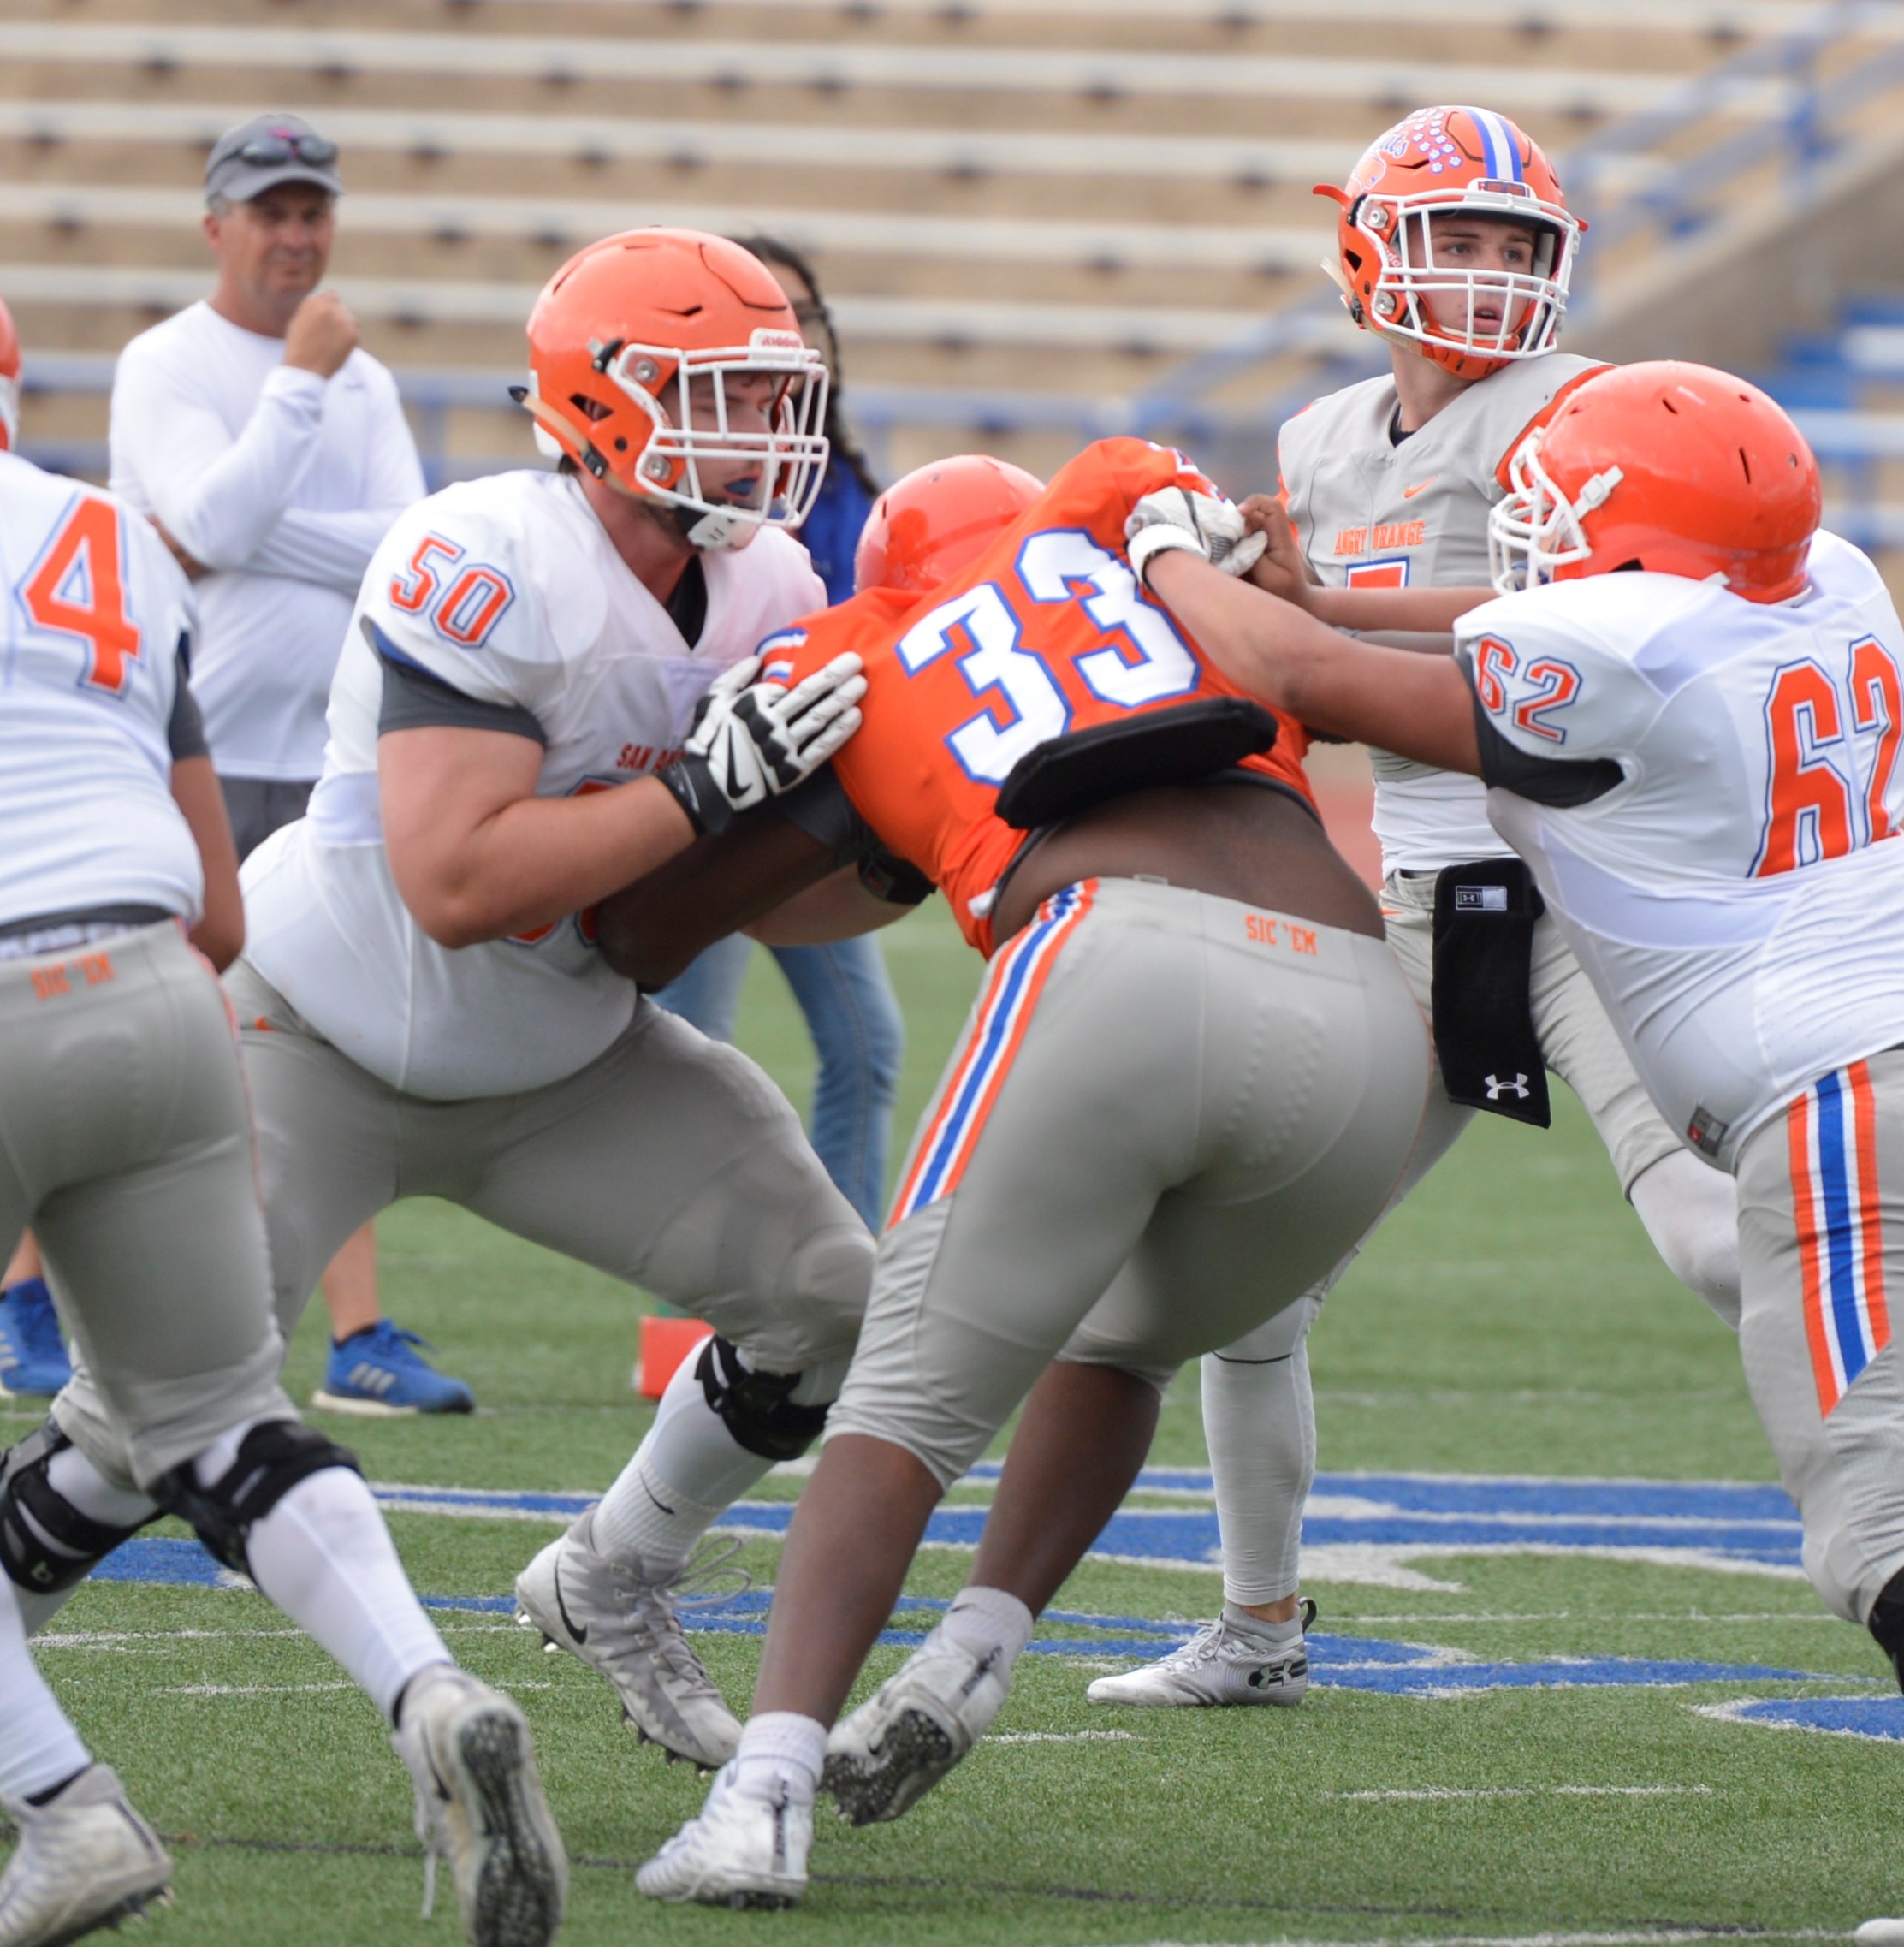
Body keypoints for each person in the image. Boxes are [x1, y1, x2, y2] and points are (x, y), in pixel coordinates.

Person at [1138, 362, 1904, 1945]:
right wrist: (1335, 592)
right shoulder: (1830, 579)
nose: (1534, 544)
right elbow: (1501, 617)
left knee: (1877, 1520)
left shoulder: (1618, 655)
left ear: (1627, 545)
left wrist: (1156, 547)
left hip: (1842, 1116)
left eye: (1562, 521)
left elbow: (1305, 681)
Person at [0, 229, 881, 1781]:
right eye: (720, 394)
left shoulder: (771, 582)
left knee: (822, 1292)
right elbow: (456, 878)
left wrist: (901, 855)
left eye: (767, 395)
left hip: (563, 1052)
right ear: (600, 400)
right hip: (314, 1034)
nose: (758, 430)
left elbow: (746, 899)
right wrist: (700, 790)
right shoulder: (484, 549)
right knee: (143, 1424)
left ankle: (615, 1569)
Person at [603, 443, 1452, 1908]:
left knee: (900, 1405)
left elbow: (654, 931)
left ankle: (763, 1792)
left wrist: (724, 798)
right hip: (1368, 1013)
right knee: (1121, 1341)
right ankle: (974, 1650)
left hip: (1114, 956)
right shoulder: (1132, 526)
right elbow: (1275, 626)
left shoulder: (856, 645)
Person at [1084, 106, 1759, 1713]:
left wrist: (1313, 612)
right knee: (1248, 1283)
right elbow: (1301, 668)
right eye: (1455, 235)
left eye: (1515, 242)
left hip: (1584, 893)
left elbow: (1576, 605)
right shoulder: (1322, 439)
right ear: (1368, 249)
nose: (1486, 269)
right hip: (1414, 909)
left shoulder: (1584, 410)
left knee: (1719, 1245)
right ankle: (1258, 1624)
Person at [0, 288, 564, 1947]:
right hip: (161, 990)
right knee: (220, 1421)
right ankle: (428, 1690)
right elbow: (220, 910)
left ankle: (64, 1810)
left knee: (178, 1420)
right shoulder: (106, 537)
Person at [104, 112, 468, 1418]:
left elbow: (399, 546)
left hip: (326, 763)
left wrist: (248, 528)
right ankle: (32, 1296)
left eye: (313, 211)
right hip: (189, 748)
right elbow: (205, 520)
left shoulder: (360, 375)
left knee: (330, 1039)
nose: (296, 235)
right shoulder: (171, 361)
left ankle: (357, 1332)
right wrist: (299, 384)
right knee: (141, 1034)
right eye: (271, 212)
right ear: (217, 225)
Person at [652, 236, 904, 1227]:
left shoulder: (847, 485)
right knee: (692, 1054)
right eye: (767, 319)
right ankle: (689, 1292)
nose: (789, 339)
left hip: (815, 801)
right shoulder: (689, 476)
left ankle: (847, 1279)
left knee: (867, 1044)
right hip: (716, 789)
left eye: (802, 317)